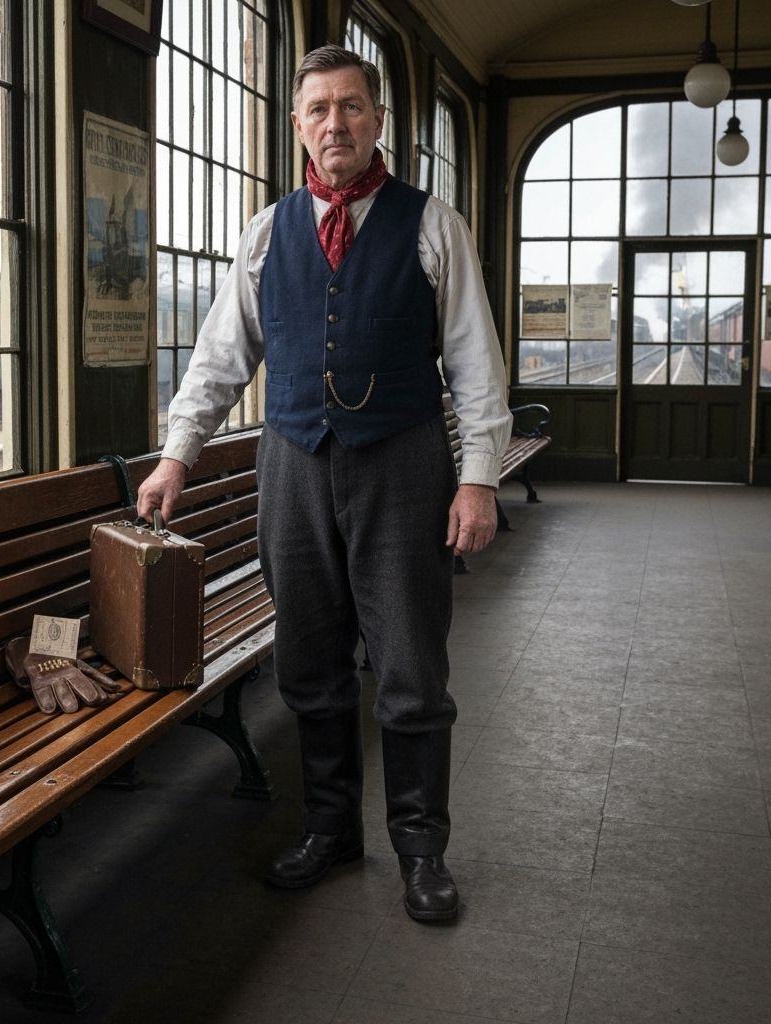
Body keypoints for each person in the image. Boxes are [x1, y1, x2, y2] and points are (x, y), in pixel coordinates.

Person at [137, 44, 512, 923]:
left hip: (404, 465)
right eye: (318, 109)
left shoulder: (432, 225)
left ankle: (422, 850)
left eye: (351, 106)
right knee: (310, 664)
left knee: (412, 666)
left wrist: (479, 479)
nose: (335, 123)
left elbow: (475, 365)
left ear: (378, 120)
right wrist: (176, 454)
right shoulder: (267, 233)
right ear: (299, 126)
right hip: (294, 467)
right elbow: (220, 359)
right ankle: (334, 829)